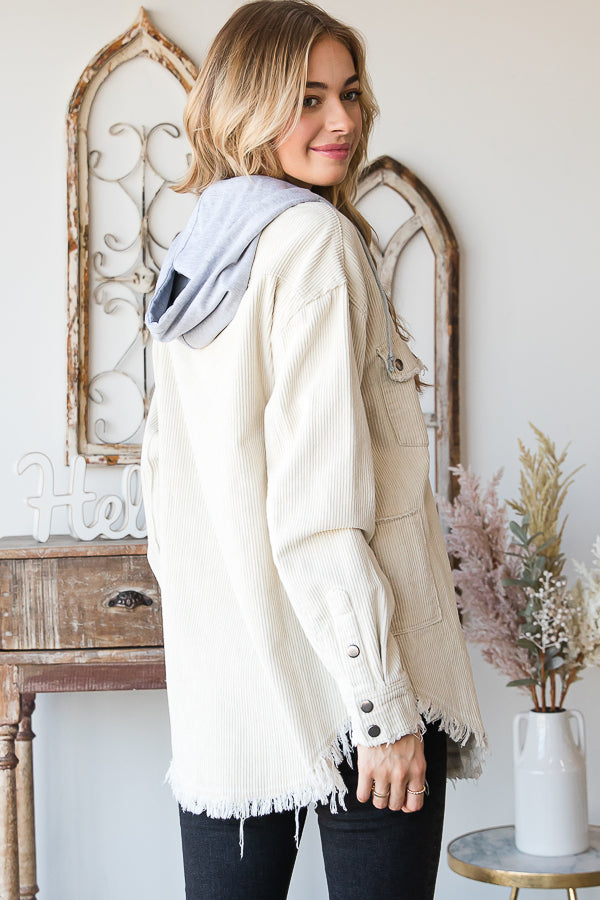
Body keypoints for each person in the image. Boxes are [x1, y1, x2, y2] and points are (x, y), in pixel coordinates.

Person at [141, 1, 486, 897]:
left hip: (233, 701)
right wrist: (382, 706)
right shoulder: (315, 242)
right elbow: (317, 513)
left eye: (350, 94)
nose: (341, 121)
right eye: (307, 98)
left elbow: (166, 508)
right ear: (248, 105)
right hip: (356, 690)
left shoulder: (198, 253)